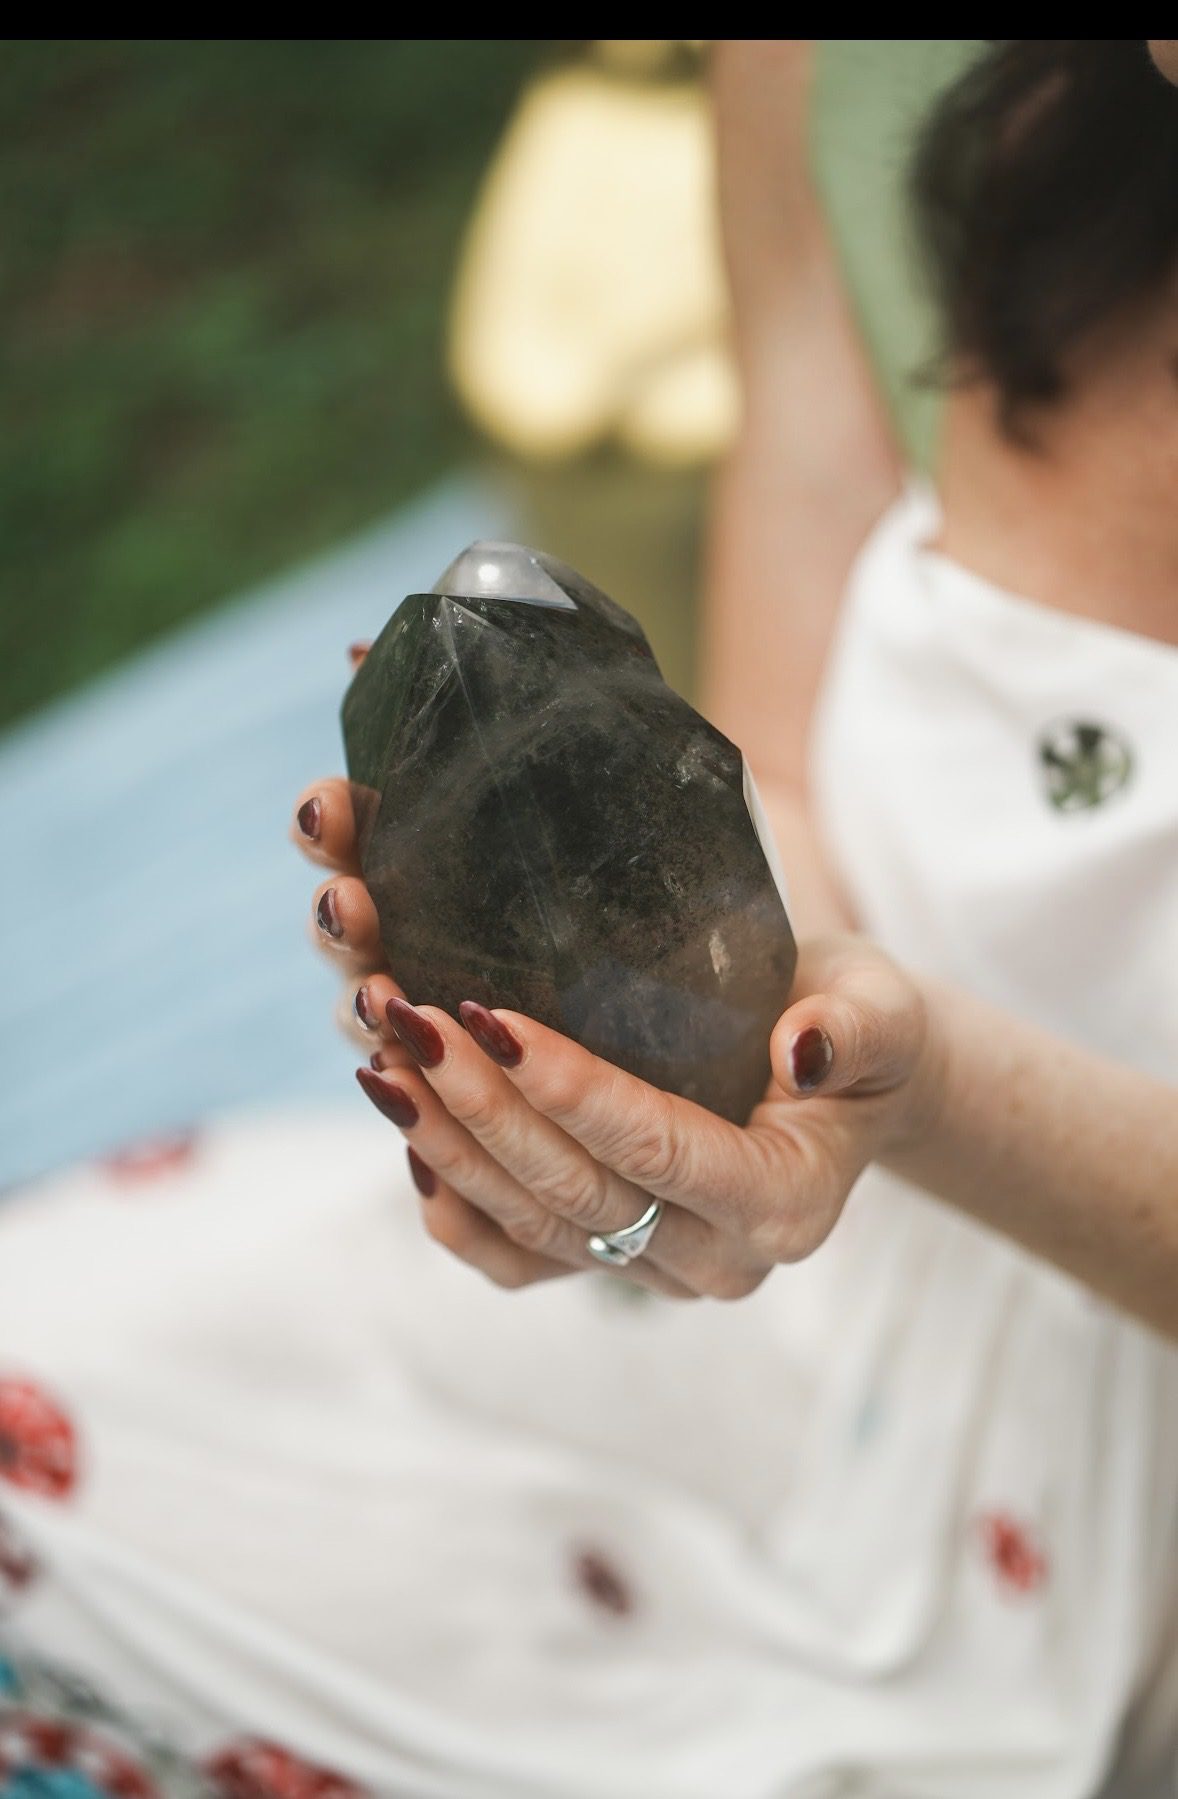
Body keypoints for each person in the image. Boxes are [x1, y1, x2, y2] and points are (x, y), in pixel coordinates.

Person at [1, 38, 1176, 1799]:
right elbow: (767, 764)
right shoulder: (850, 71)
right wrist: (600, 1030)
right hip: (854, 1322)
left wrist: (915, 1097)